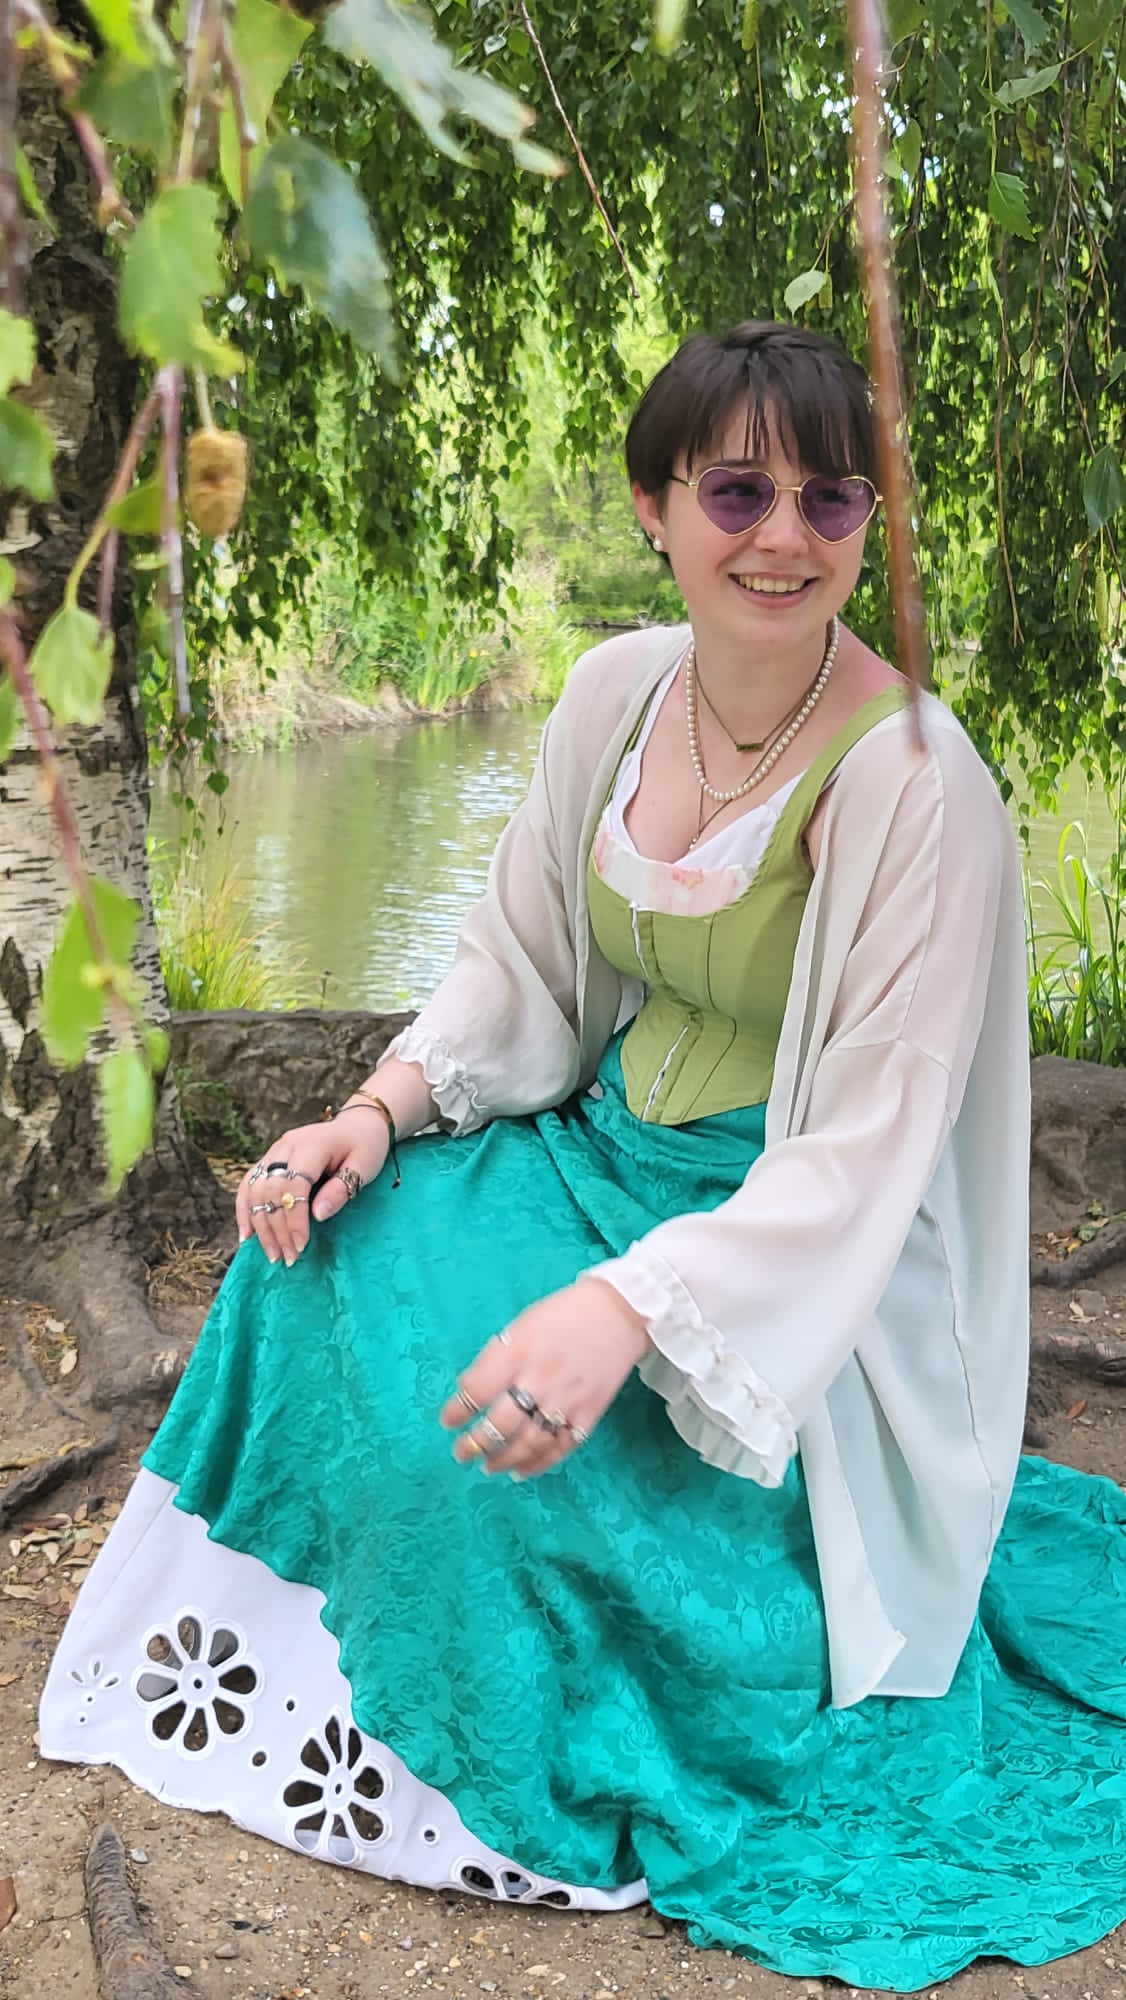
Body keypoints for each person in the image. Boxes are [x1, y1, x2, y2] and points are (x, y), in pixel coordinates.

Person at [40, 321, 1126, 1992]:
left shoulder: (916, 785)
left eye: (829, 499)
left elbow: (864, 1153)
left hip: (784, 1272)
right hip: (599, 1150)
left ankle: (487, 1766)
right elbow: (522, 968)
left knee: (510, 1462)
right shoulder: (619, 691)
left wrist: (629, 1309)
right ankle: (311, 1688)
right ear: (653, 504)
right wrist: (375, 1111)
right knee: (320, 1261)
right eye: (739, 489)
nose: (782, 536)